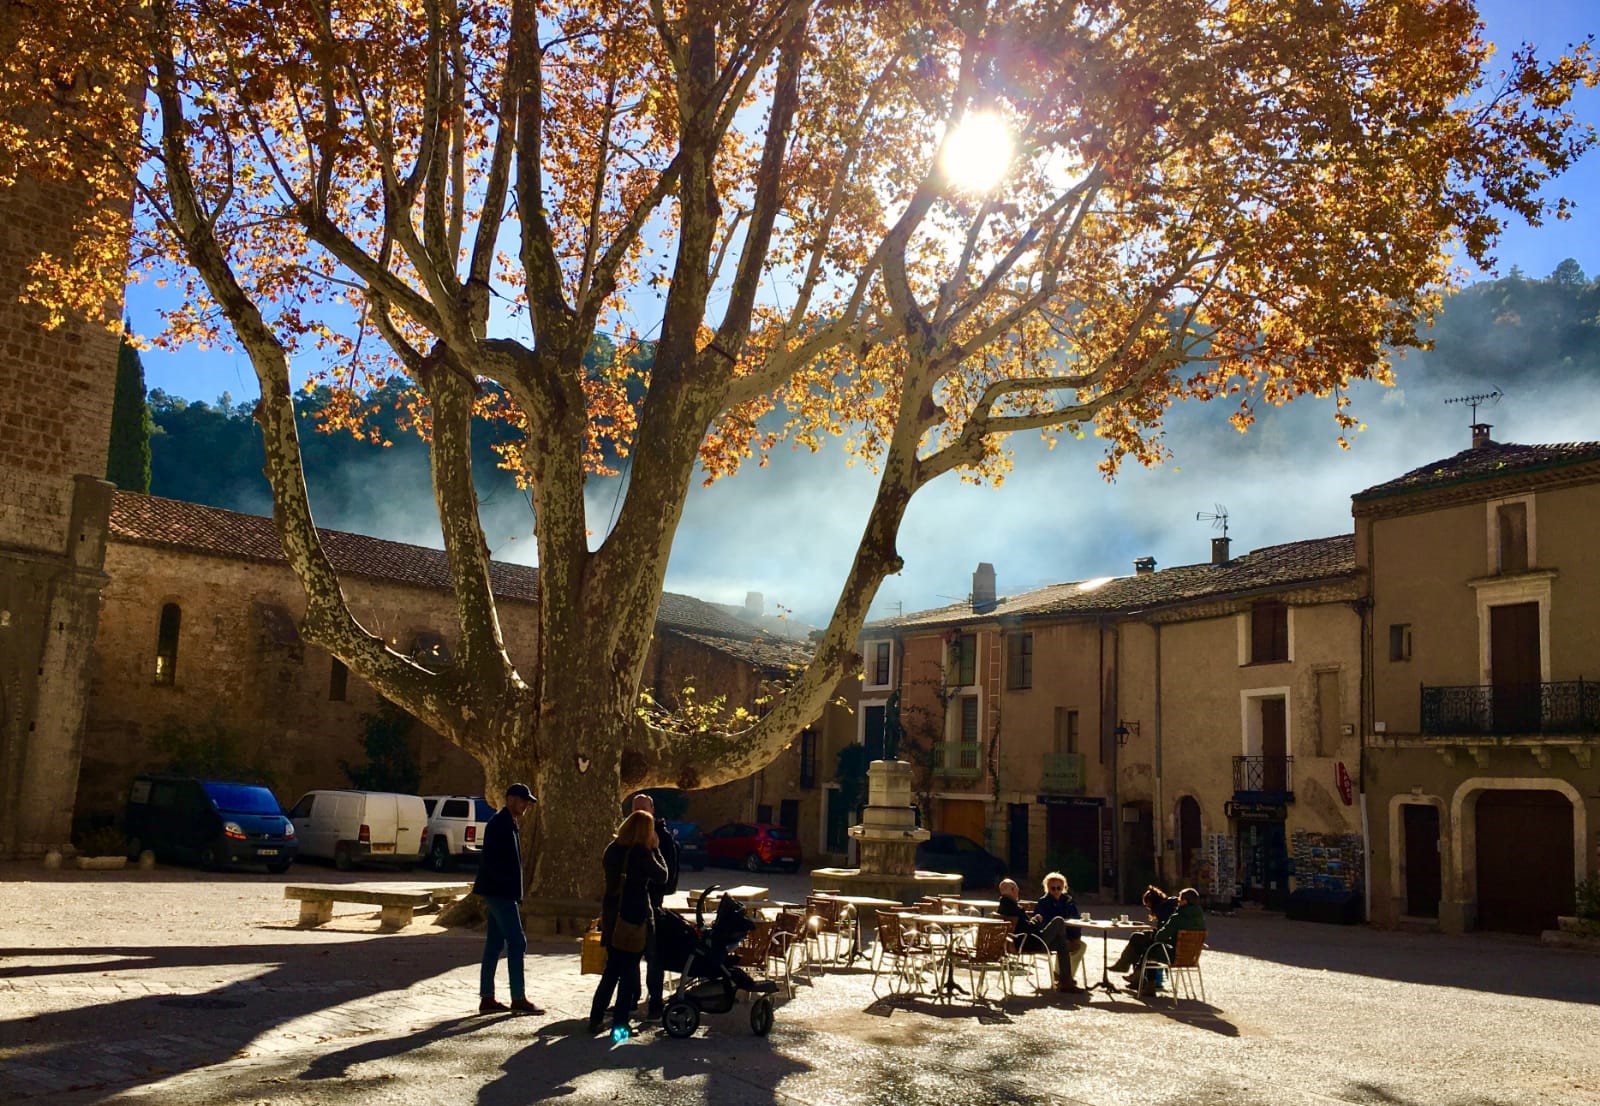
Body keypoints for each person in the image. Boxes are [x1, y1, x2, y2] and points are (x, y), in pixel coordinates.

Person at [588, 810, 669, 1035]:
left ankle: (595, 1018)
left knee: (611, 970)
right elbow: (663, 876)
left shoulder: (612, 850)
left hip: (612, 915)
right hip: (633, 918)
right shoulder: (641, 853)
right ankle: (620, 1024)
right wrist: (656, 849)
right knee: (628, 970)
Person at [473, 783, 543, 1015]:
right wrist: (508, 892)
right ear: (511, 799)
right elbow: (495, 863)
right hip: (500, 893)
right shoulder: (500, 824)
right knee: (517, 941)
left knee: (494, 943)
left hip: (500, 892)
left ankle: (487, 997)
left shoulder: (507, 823)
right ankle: (518, 996)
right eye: (523, 801)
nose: (525, 806)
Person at [630, 793, 680, 1018]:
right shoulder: (627, 836)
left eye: (643, 810)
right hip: (630, 907)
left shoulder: (662, 838)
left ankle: (656, 1003)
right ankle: (630, 999)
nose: (639, 815)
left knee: (653, 957)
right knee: (629, 957)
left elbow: (668, 878)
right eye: (635, 810)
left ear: (652, 810)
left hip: (653, 906)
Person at [996, 877, 1084, 993]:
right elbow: (1026, 929)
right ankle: (1066, 982)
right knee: (1059, 921)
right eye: (1017, 889)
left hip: (1030, 940)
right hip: (1031, 942)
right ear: (1012, 890)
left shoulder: (1007, 905)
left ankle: (1065, 981)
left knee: (1063, 944)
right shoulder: (1012, 907)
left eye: (1059, 888)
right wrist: (1035, 920)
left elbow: (1023, 926)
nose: (1018, 891)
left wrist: (1032, 920)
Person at [1109, 886, 1206, 990]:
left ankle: (1134, 973)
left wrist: (1154, 934)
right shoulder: (1200, 918)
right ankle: (1140, 979)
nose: (1177, 902)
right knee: (1143, 940)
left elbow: (1160, 937)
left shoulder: (1178, 917)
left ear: (1185, 902)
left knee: (1144, 944)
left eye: (1179, 900)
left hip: (1173, 955)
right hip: (1191, 957)